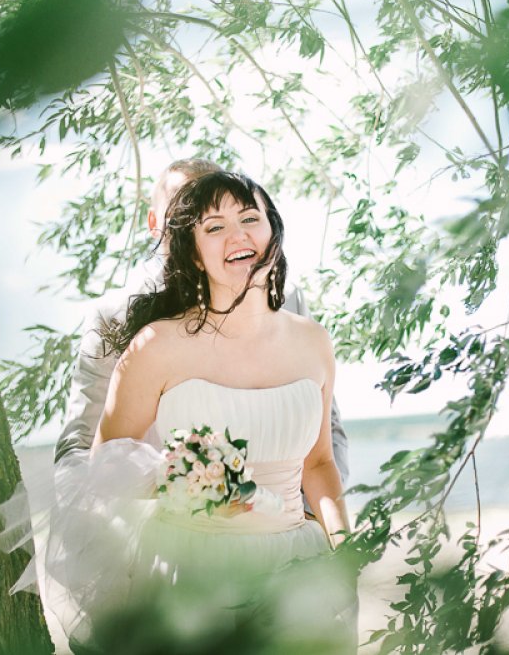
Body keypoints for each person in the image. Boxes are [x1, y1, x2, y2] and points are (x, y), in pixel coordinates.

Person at [21, 171, 356, 653]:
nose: (238, 235)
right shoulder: (155, 346)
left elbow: (320, 463)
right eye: (214, 227)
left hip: (297, 562)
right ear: (193, 253)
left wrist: (343, 550)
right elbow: (104, 462)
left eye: (250, 218)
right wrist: (174, 476)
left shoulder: (313, 342)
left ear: (273, 231)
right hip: (191, 568)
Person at [54, 159, 350, 493]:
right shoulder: (115, 316)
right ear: (155, 223)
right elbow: (83, 445)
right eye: (184, 210)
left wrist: (307, 513)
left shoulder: (286, 300)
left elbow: (325, 432)